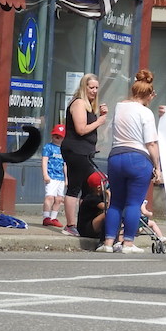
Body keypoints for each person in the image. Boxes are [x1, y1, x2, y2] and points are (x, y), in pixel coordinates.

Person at [96, 69, 163, 255]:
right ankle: (128, 243)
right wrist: (157, 167)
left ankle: (108, 242)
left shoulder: (119, 107)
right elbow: (151, 143)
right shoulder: (146, 113)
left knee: (116, 202)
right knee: (134, 203)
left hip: (116, 157)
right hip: (138, 159)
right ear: (148, 94)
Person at [60, 73, 108, 237]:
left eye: (96, 88)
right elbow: (81, 129)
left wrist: (101, 116)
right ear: (84, 87)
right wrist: (99, 122)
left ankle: (84, 223)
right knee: (75, 186)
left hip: (86, 152)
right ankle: (70, 225)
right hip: (76, 151)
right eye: (91, 87)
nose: (94, 91)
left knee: (89, 188)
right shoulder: (79, 103)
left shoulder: (88, 105)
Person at [41, 124, 67, 227]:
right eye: (55, 135)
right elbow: (44, 161)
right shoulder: (48, 147)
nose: (57, 138)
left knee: (59, 199)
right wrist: (45, 174)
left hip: (60, 177)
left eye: (60, 136)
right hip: (51, 176)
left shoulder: (64, 149)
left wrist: (66, 178)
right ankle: (46, 217)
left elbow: (65, 165)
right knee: (50, 197)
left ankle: (53, 217)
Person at [75, 171, 109, 240]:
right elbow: (107, 207)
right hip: (86, 229)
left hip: (93, 225)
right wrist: (109, 194)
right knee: (109, 213)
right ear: (99, 187)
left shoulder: (101, 196)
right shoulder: (91, 198)